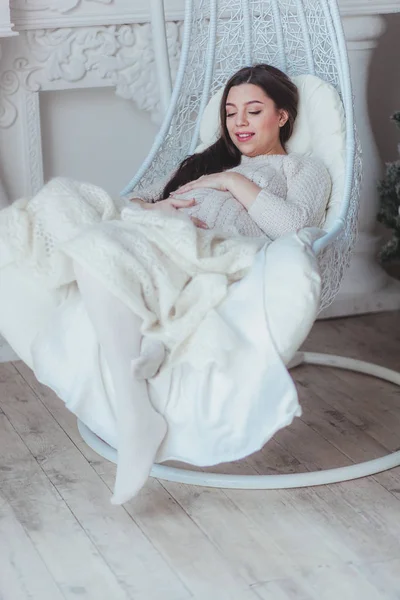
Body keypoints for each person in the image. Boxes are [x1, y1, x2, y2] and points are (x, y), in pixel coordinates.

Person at [0, 64, 331, 504]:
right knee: (59, 195)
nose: (239, 123)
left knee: (98, 243)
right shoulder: (202, 162)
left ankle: (137, 412)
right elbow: (142, 199)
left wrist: (231, 182)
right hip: (153, 228)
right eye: (231, 113)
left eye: (253, 111)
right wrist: (157, 209)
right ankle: (71, 260)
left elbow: (292, 226)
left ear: (283, 116)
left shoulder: (302, 170)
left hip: (203, 245)